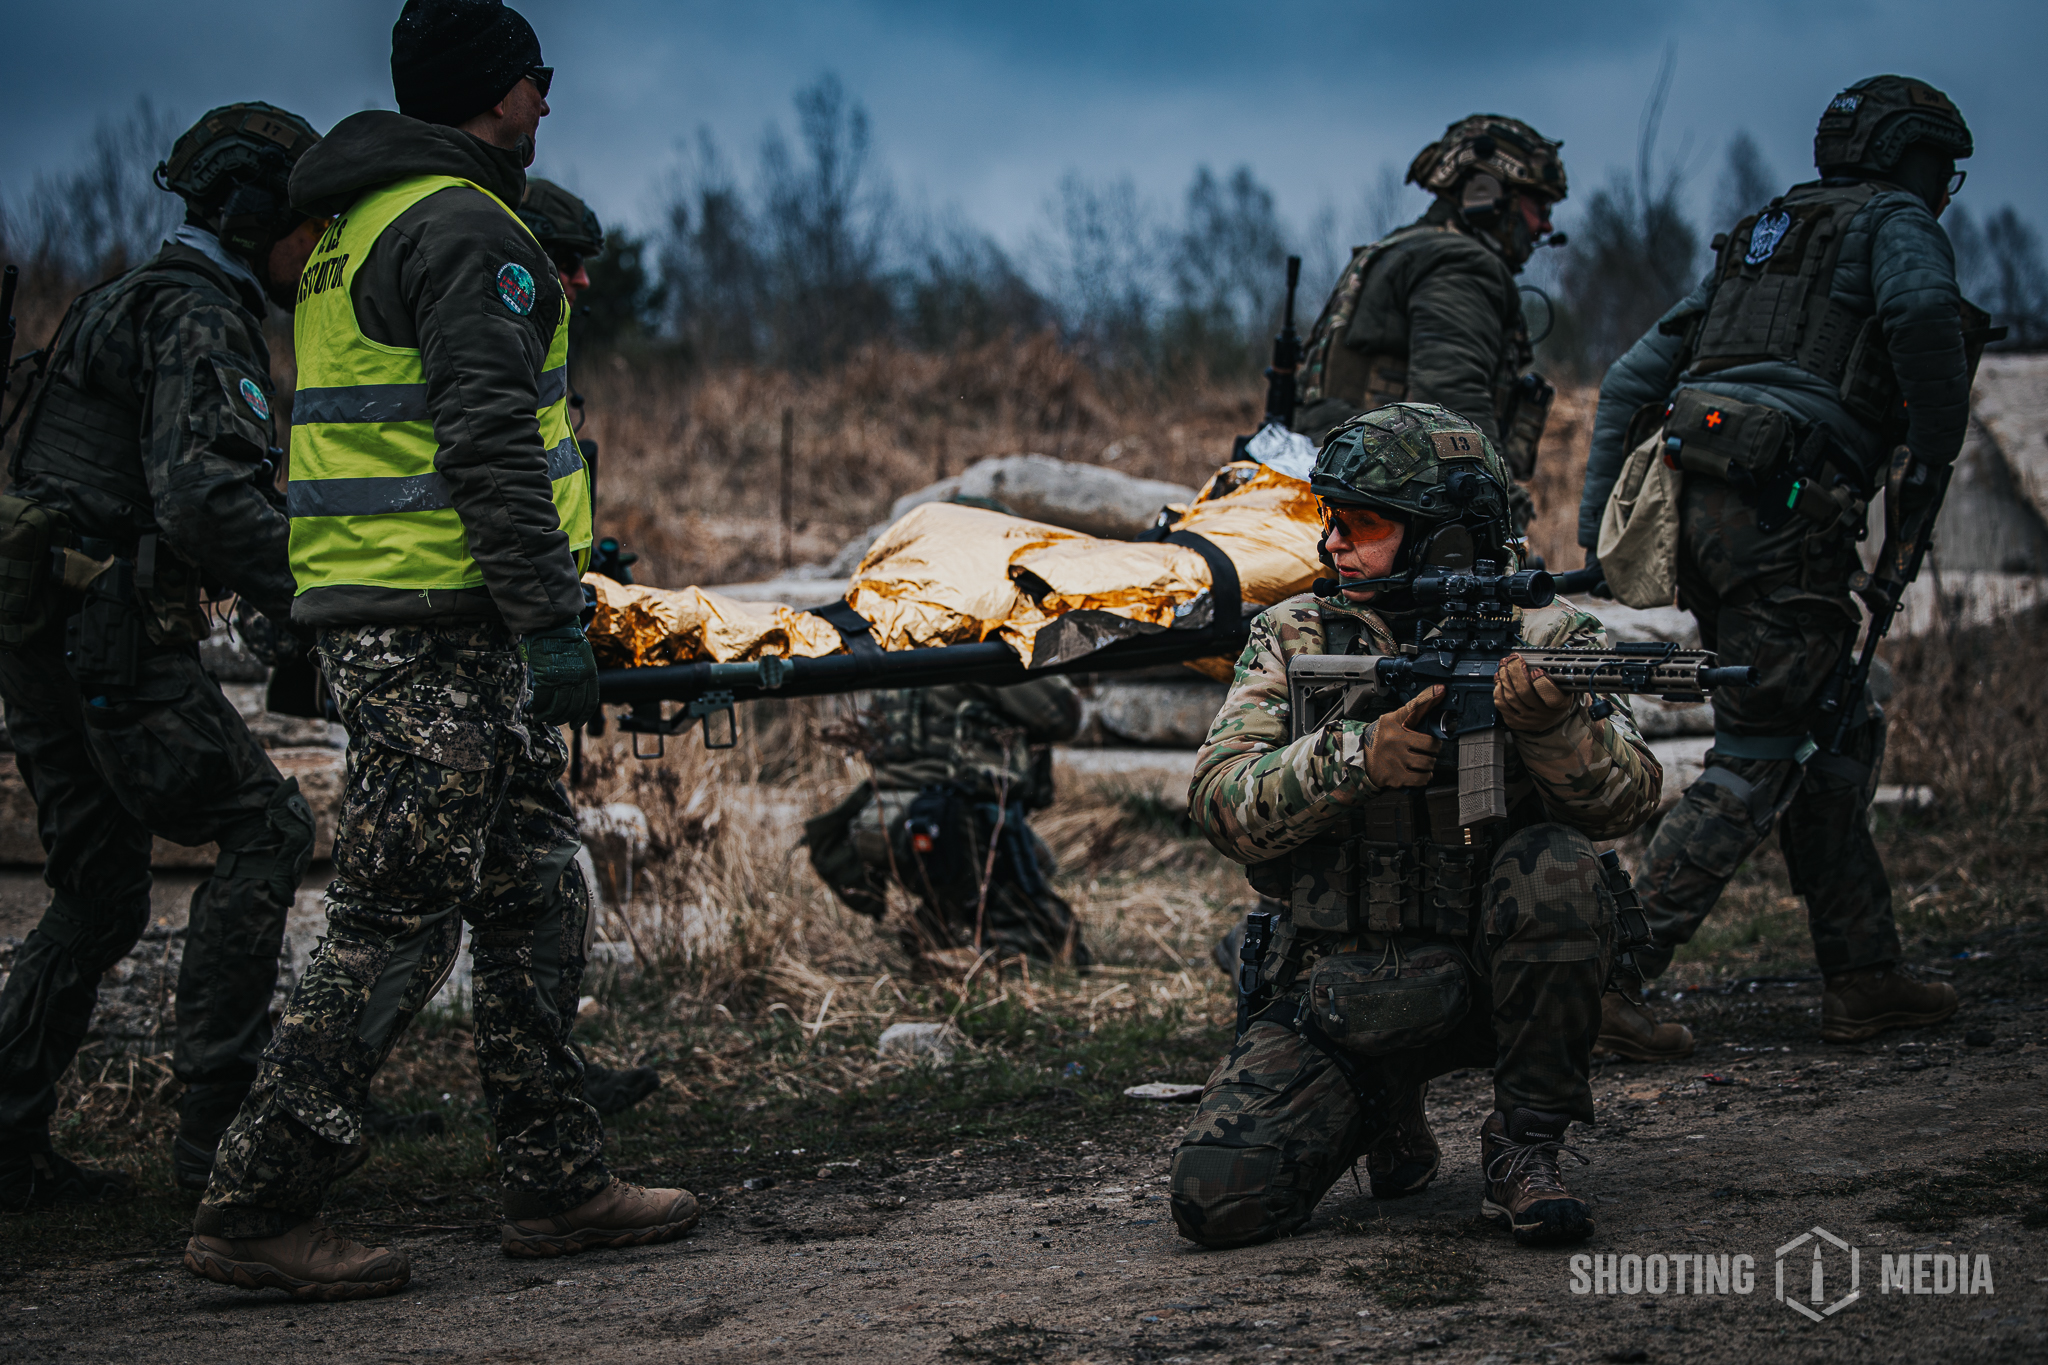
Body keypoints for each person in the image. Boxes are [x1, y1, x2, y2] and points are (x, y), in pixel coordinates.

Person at [186, 0, 695, 1301]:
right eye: (536, 79)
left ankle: (556, 1181)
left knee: (531, 888)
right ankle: (258, 1203)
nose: (548, 103)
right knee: (398, 912)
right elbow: (486, 444)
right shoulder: (462, 227)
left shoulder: (355, 226)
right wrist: (550, 620)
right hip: (436, 627)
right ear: (491, 90)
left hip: (422, 617)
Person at [1170, 404, 1663, 1250]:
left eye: (1360, 525)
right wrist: (1356, 757)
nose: (1332, 543)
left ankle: (1524, 1145)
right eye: (1331, 519)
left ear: (1445, 541)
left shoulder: (1548, 636)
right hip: (1346, 987)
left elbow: (1630, 798)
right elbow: (1219, 798)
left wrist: (1551, 730)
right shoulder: (1295, 633)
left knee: (1557, 867)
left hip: (1499, 977)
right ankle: (1384, 1105)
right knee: (1217, 1198)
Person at [1575, 75, 1976, 1052]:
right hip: (1789, 515)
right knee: (1761, 746)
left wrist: (1597, 535)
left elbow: (1629, 379)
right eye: (1943, 171)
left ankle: (1863, 974)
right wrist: (1933, 451)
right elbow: (1926, 314)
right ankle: (1608, 978)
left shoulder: (1765, 237)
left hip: (1708, 509)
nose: (1944, 190)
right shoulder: (1894, 222)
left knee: (1829, 728)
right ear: (1913, 158)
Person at [0, 103, 327, 1209]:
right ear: (253, 218)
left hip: (41, 631)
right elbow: (207, 504)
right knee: (267, 828)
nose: (315, 249)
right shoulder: (198, 317)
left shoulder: (119, 296)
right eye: (307, 225)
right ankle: (218, 1146)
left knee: (99, 892)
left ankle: (7, 1140)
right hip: (109, 636)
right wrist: (316, 599)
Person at [515, 176, 656, 1116]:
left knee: (537, 877)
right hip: (489, 636)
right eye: (567, 263)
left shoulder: (538, 355)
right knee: (415, 900)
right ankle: (280, 1134)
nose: (583, 282)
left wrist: (581, 573)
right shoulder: (490, 335)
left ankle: (544, 1101)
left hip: (528, 619)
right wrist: (547, 612)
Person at [1292, 115, 1569, 547]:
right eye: (1540, 207)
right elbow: (1455, 410)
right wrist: (1501, 524)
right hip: (1378, 496)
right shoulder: (1457, 263)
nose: (1545, 226)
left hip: (1338, 478)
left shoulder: (1402, 248)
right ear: (1487, 193)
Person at [805, 678, 1092, 970]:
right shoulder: (981, 655)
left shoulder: (901, 653)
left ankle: (939, 925)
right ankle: (988, 957)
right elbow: (1066, 716)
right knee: (1051, 942)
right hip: (946, 822)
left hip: (882, 819)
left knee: (1037, 861)